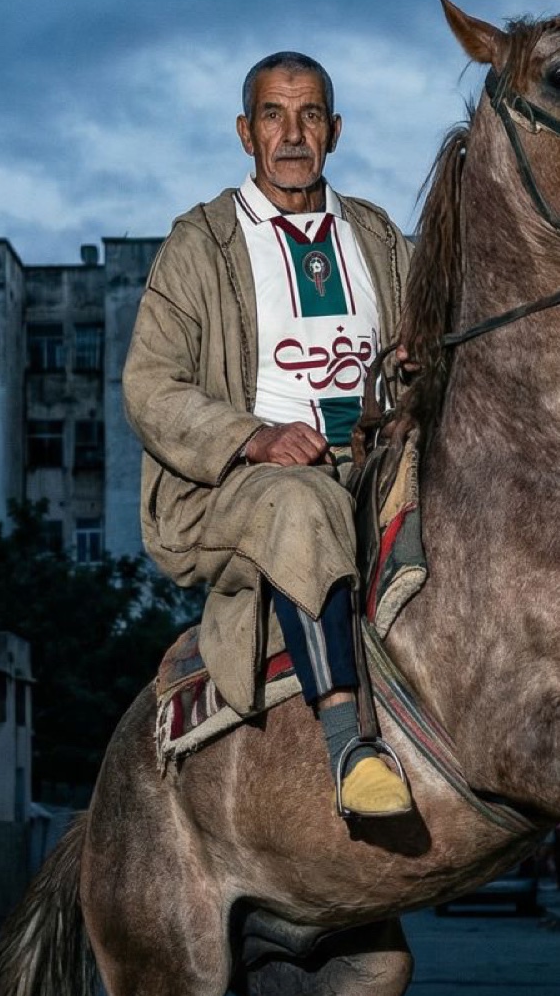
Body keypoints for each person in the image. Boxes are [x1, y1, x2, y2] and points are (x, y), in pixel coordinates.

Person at [123, 51, 414, 816]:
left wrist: (422, 369)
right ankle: (351, 747)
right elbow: (149, 386)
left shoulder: (377, 236)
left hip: (374, 467)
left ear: (335, 131)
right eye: (273, 116)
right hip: (236, 488)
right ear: (245, 132)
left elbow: (429, 348)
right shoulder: (203, 243)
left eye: (310, 115)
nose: (292, 135)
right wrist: (254, 438)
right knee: (300, 499)